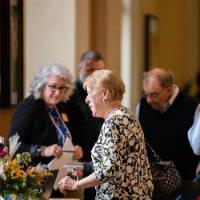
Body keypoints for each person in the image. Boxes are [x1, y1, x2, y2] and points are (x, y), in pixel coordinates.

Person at [58, 69, 154, 200]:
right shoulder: (124, 115)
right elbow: (116, 161)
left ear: (105, 94)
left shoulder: (115, 121)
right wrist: (84, 169)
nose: (86, 99)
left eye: (90, 93)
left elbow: (109, 169)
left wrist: (76, 185)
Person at [136, 68, 200, 198]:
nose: (148, 100)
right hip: (152, 181)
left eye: (154, 94)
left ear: (169, 89)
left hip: (185, 180)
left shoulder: (193, 107)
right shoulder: (142, 106)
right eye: (145, 94)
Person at [7, 63, 83, 166]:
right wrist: (43, 151)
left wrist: (72, 151)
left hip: (59, 170)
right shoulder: (28, 107)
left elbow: (65, 138)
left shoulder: (60, 106)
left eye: (62, 88)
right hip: (33, 174)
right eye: (53, 87)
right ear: (42, 85)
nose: (57, 93)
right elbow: (13, 146)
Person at [66, 50, 105, 200]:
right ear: (80, 67)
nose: (93, 74)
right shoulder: (70, 94)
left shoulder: (102, 93)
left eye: (98, 71)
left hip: (97, 161)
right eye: (90, 70)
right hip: (78, 160)